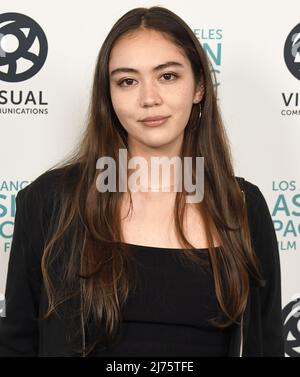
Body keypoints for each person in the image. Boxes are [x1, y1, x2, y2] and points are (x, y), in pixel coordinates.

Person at [0, 6, 284, 357]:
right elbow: (16, 344)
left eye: (167, 76)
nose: (149, 98)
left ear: (199, 87)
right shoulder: (49, 201)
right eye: (127, 81)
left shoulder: (241, 205)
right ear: (109, 96)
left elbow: (265, 345)